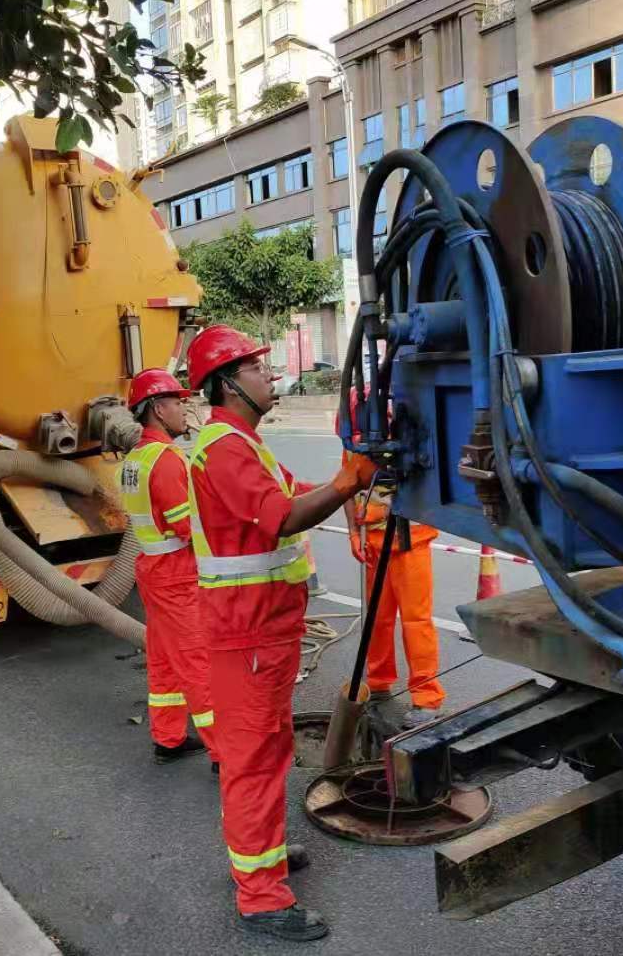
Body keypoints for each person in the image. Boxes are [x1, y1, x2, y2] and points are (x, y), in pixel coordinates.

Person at [185, 325, 375, 943]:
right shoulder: (224, 448)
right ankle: (261, 897)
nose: (269, 377)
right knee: (252, 760)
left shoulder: (247, 445)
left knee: (268, 750)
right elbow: (281, 517)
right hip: (246, 635)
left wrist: (350, 475)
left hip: (264, 632)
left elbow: (297, 495)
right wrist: (348, 481)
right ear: (227, 382)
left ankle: (261, 853)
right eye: (256, 368)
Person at [117, 368, 218, 768]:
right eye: (178, 402)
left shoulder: (135, 458)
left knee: (163, 658)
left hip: (152, 568)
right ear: (158, 409)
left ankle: (169, 737)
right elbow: (187, 527)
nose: (185, 409)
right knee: (198, 659)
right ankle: (224, 752)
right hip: (177, 572)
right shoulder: (168, 461)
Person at [341, 389, 444, 731]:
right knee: (378, 621)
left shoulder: (409, 442)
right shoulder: (355, 446)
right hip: (373, 544)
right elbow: (346, 488)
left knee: (416, 622)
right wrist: (353, 532)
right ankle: (380, 683)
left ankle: (426, 699)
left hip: (411, 544)